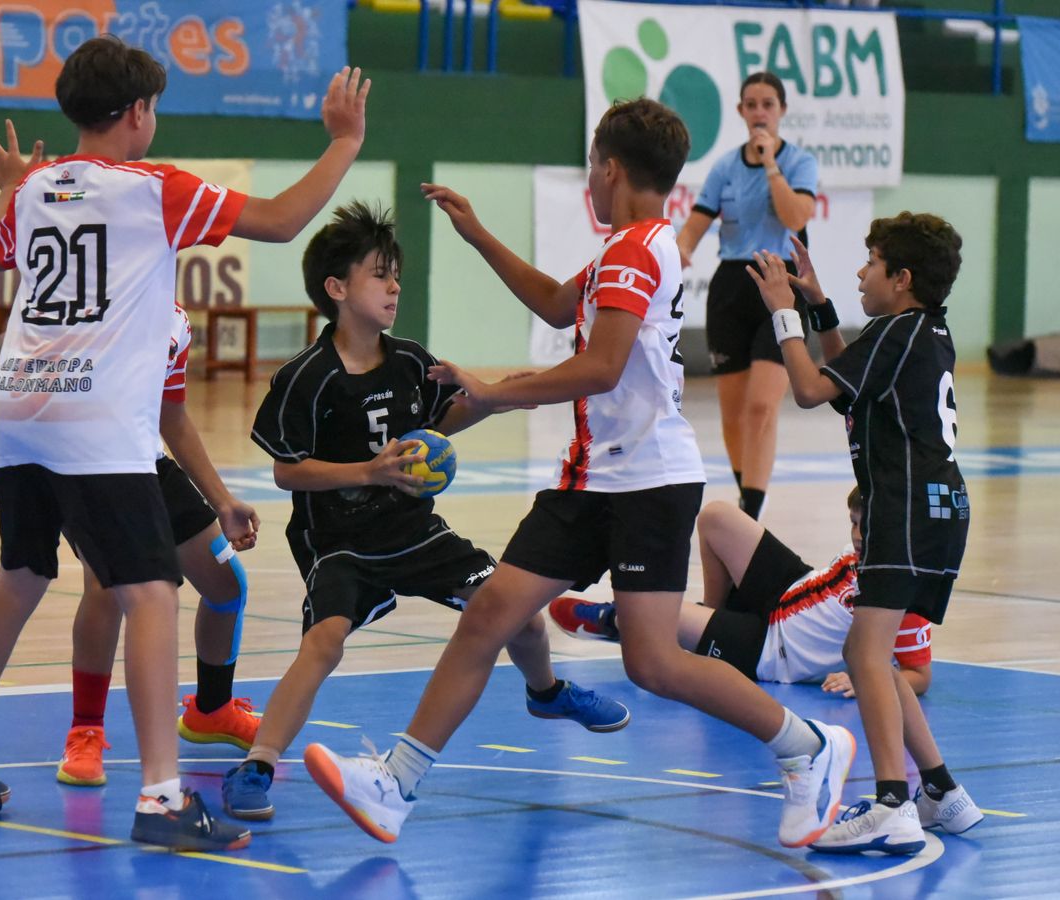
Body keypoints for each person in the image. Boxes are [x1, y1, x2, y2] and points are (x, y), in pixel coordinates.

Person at [301, 99, 855, 850]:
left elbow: (598, 367)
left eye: (592, 164)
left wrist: (493, 394)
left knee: (654, 663)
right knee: (492, 612)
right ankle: (395, 784)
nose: (590, 177)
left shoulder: (635, 252)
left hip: (649, 483)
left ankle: (808, 748)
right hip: (593, 477)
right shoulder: (631, 247)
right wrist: (478, 235)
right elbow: (561, 306)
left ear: (611, 166)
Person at [0, 34, 371, 852]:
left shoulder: (37, 188)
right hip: (94, 423)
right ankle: (162, 799)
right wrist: (344, 141)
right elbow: (282, 219)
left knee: (20, 575)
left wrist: (15, 186)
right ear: (136, 113)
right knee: (151, 594)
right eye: (153, 107)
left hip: (18, 409)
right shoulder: (153, 188)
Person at [222, 201, 629, 821]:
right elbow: (286, 469)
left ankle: (546, 693)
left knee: (516, 612)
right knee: (323, 644)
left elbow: (443, 420)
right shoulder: (307, 378)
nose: (394, 286)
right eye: (379, 274)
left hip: (415, 531)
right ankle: (257, 764)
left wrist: (495, 398)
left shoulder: (411, 359)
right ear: (337, 289)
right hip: (341, 544)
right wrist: (369, 471)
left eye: (396, 275)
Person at [747, 216, 980, 854]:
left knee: (865, 656)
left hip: (903, 508)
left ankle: (891, 804)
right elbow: (845, 389)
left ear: (900, 279)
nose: (860, 272)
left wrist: (784, 312)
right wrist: (820, 304)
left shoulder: (897, 331)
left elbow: (807, 388)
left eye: (871, 261)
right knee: (876, 659)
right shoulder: (919, 332)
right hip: (938, 508)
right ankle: (940, 791)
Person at [54, 299, 264, 789]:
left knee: (225, 584)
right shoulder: (91, 301)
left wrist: (222, 501)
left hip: (145, 461)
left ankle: (212, 709)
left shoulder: (175, 320)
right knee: (107, 587)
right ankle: (85, 732)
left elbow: (172, 416)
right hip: (84, 462)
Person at [549, 488, 938, 701]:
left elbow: (918, 674)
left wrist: (871, 679)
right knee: (716, 516)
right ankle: (713, 616)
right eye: (853, 524)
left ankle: (616, 620)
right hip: (790, 588)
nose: (856, 536)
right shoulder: (866, 551)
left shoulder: (903, 590)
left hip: (772, 647)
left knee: (655, 615)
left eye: (864, 529)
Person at [675, 71, 818, 520]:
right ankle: (746, 499)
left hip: (780, 284)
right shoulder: (723, 167)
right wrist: (673, 254)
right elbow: (693, 230)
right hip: (731, 287)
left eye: (768, 104)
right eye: (751, 104)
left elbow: (796, 215)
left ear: (781, 111)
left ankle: (752, 511)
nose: (759, 112)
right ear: (740, 111)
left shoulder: (799, 163)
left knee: (761, 405)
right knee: (734, 412)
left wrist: (770, 164)